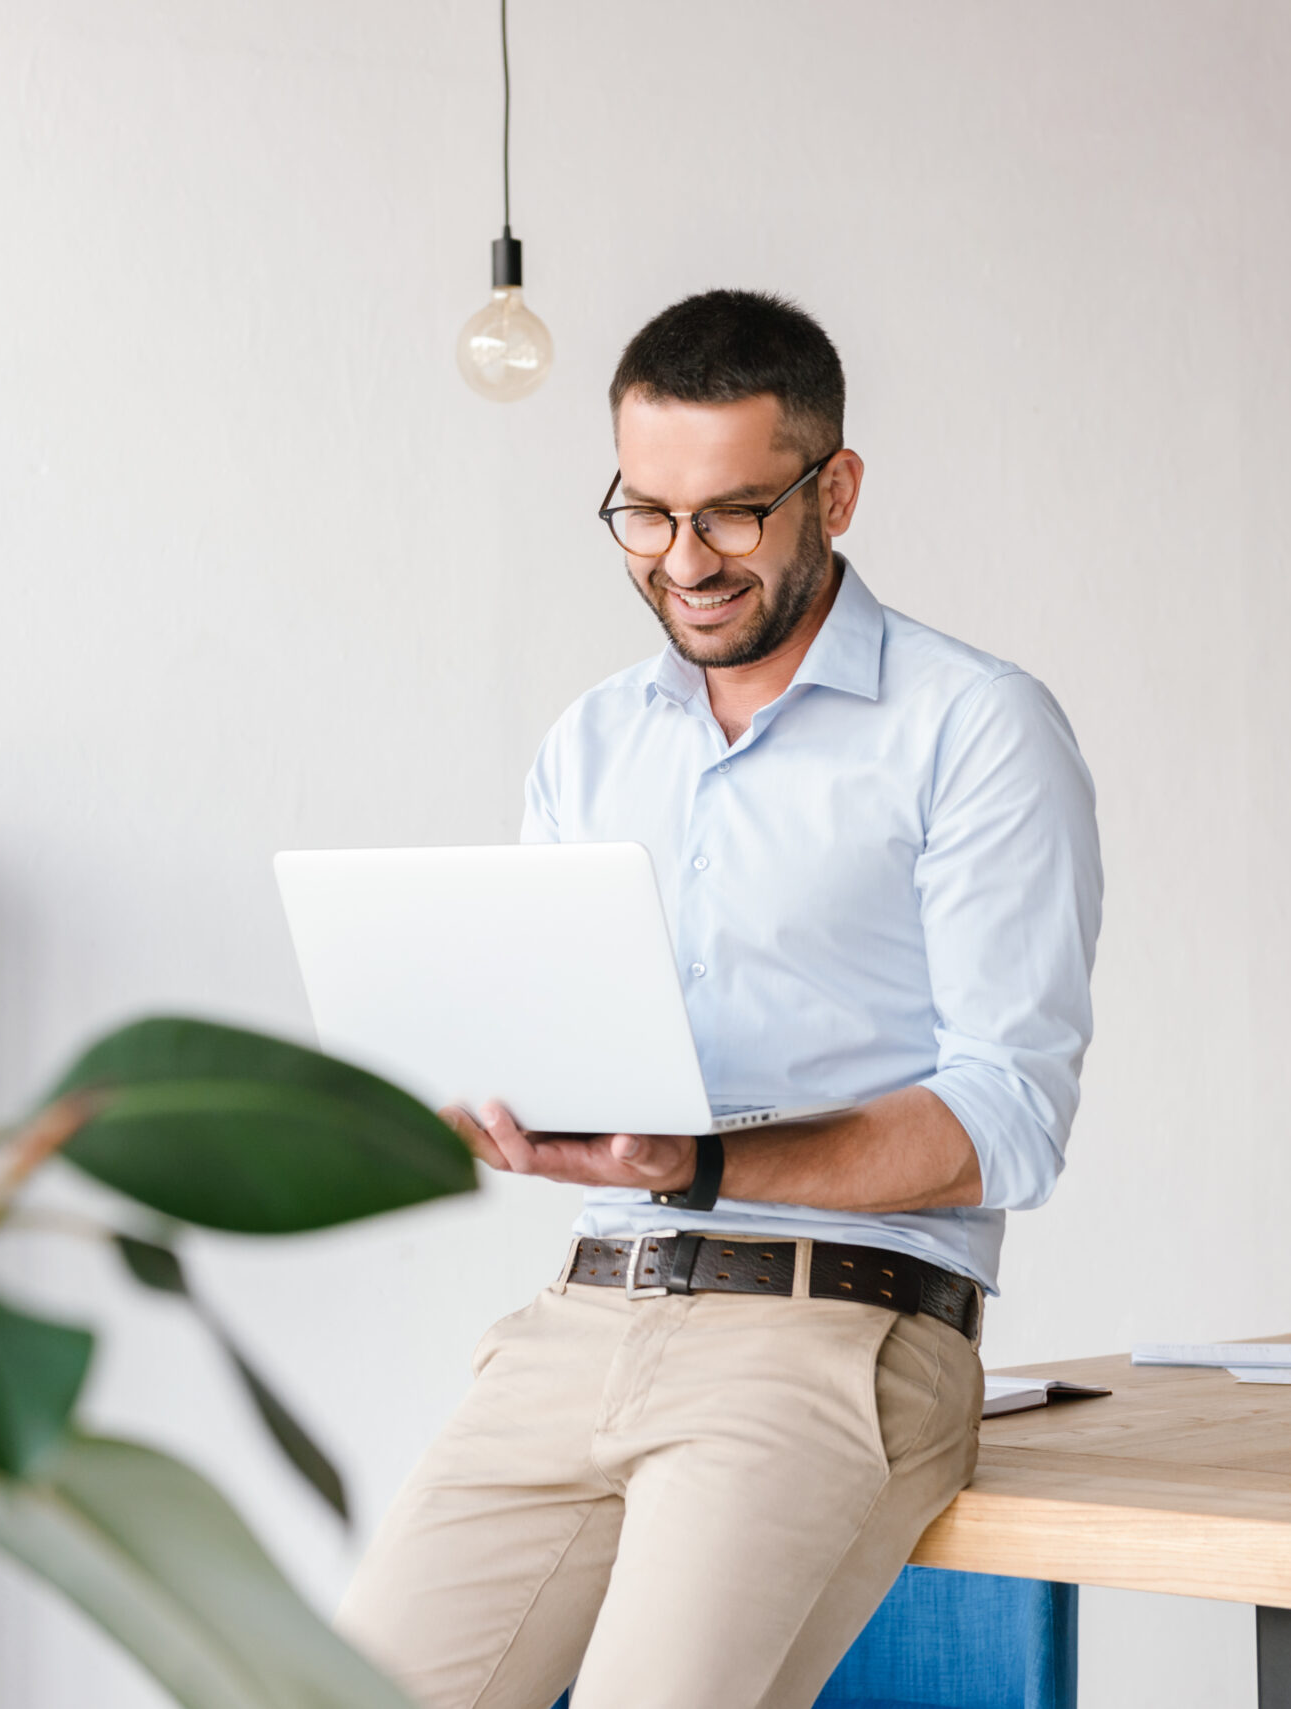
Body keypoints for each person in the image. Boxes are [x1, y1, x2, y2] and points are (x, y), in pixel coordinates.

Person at [335, 291, 1102, 1709]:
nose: (682, 561)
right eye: (646, 512)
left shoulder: (974, 727)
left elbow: (1009, 1114)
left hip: (830, 1333)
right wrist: (471, 1094)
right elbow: (553, 1031)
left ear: (837, 489)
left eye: (734, 515)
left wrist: (702, 1164)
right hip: (578, 1318)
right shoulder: (593, 739)